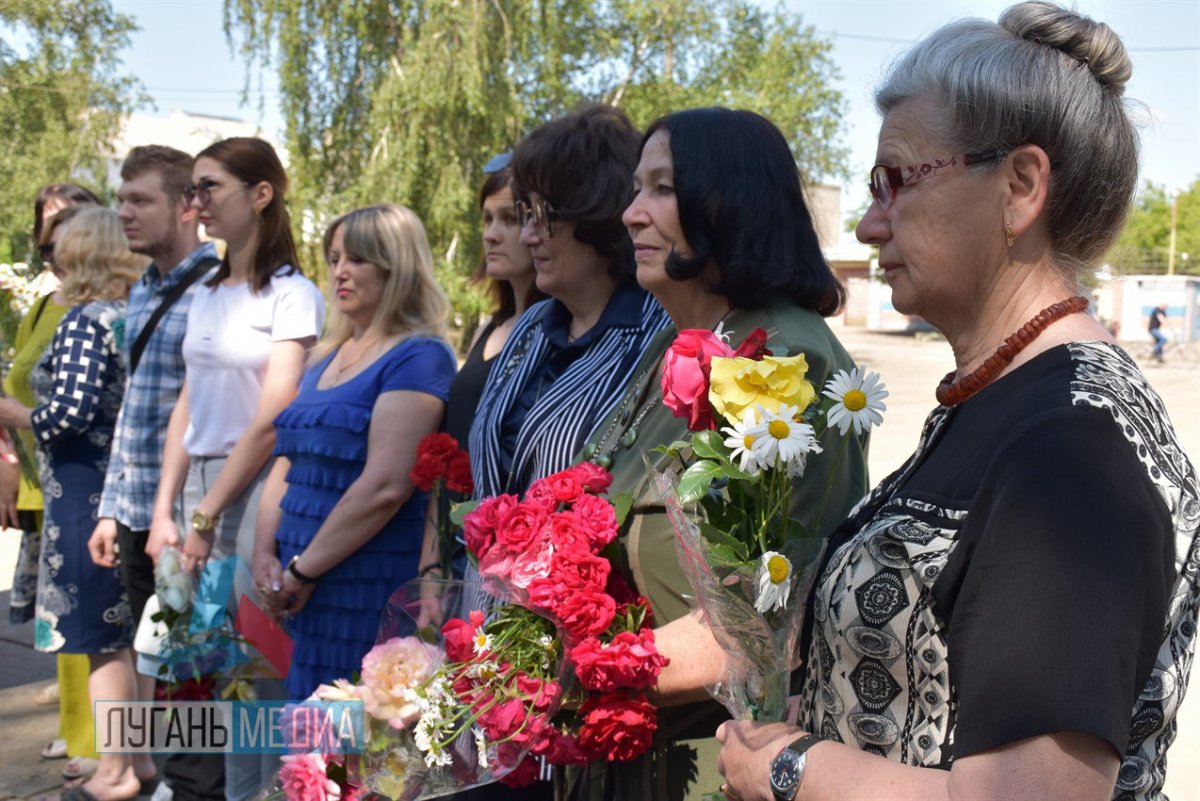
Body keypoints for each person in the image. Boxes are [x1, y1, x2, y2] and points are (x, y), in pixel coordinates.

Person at [714, 4, 1198, 801]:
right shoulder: (1004, 401)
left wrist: (792, 767)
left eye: (895, 180)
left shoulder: (1072, 449)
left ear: (1020, 187)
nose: (871, 224)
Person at [567, 108, 869, 801]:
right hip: (634, 751)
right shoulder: (678, 342)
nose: (631, 214)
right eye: (636, 189)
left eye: (661, 189)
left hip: (716, 765)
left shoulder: (784, 356)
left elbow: (765, 624)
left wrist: (555, 675)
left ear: (729, 199)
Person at [147, 136, 324, 801]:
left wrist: (205, 513)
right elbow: (188, 401)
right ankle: (198, 785)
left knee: (256, 666)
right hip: (200, 489)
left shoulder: (292, 294)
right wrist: (166, 508)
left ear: (260, 194)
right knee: (192, 658)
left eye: (208, 187)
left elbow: (273, 415)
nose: (195, 203)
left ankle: (265, 791)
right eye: (191, 189)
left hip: (256, 491)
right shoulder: (206, 291)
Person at [251, 204, 456, 699]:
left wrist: (302, 569)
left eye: (359, 258)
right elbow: (289, 459)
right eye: (335, 256)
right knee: (311, 750)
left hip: (363, 587)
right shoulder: (325, 358)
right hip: (305, 592)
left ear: (397, 265)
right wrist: (263, 553)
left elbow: (386, 486)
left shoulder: (419, 356)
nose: (340, 270)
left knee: (356, 751)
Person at [86, 145, 223, 801]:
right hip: (139, 513)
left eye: (140, 199)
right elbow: (133, 408)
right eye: (121, 198)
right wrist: (113, 506)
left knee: (192, 667)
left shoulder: (215, 291)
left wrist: (189, 517)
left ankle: (194, 788)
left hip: (189, 517)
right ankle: (158, 775)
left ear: (188, 206)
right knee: (156, 661)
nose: (124, 213)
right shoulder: (141, 288)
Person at [0, 208, 150, 801]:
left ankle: (115, 768)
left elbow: (70, 412)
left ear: (83, 253)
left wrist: (18, 417)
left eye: (61, 247)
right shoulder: (133, 314)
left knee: (98, 635)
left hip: (85, 493)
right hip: (122, 487)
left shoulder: (86, 319)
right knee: (129, 634)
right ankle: (139, 760)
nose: (53, 258)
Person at [416, 154, 546, 581]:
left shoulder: (556, 334)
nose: (491, 234)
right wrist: (431, 561)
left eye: (509, 219)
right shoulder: (490, 327)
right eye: (486, 219)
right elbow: (454, 450)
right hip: (455, 549)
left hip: (507, 561)